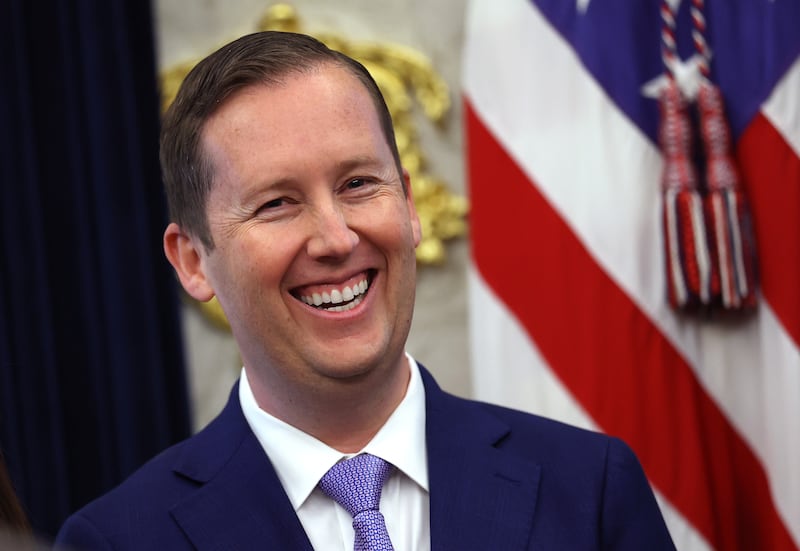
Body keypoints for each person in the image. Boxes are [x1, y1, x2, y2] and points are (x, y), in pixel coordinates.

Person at [55, 31, 675, 550]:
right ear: (192, 261)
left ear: (408, 203)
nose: (334, 236)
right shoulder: (116, 541)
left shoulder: (591, 491)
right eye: (276, 203)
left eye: (357, 184)